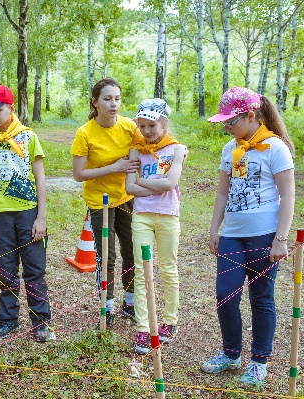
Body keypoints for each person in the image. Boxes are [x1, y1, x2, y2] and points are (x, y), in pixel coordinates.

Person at [200, 87, 295, 387]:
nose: (226, 127)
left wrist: (281, 238)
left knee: (261, 297)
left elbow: (288, 193)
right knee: (225, 295)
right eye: (224, 123)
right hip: (232, 235)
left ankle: (258, 361)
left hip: (264, 237)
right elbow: (222, 192)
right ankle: (231, 354)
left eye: (231, 121)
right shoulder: (230, 149)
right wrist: (215, 229)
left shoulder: (275, 148)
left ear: (251, 116)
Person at [0, 85, 52, 342]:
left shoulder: (28, 138)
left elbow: (40, 178)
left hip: (28, 213)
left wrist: (41, 217)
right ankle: (7, 320)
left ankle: (41, 322)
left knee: (34, 269)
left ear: (11, 109)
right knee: (5, 270)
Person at [71, 77, 139, 329]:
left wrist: (176, 151)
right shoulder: (85, 132)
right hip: (99, 202)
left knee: (131, 250)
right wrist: (115, 167)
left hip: (126, 197)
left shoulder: (130, 127)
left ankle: (130, 302)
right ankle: (107, 305)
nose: (113, 104)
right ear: (95, 102)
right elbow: (79, 174)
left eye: (117, 99)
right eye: (107, 99)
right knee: (106, 255)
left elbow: (152, 143)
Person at [125, 98, 187, 354]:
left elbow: (170, 184)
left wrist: (142, 181)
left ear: (164, 122)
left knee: (168, 269)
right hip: (142, 216)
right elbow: (129, 188)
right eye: (141, 126)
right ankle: (143, 328)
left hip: (168, 215)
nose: (146, 131)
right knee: (142, 271)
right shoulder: (135, 151)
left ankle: (169, 322)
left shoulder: (176, 149)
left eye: (151, 125)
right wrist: (154, 183)